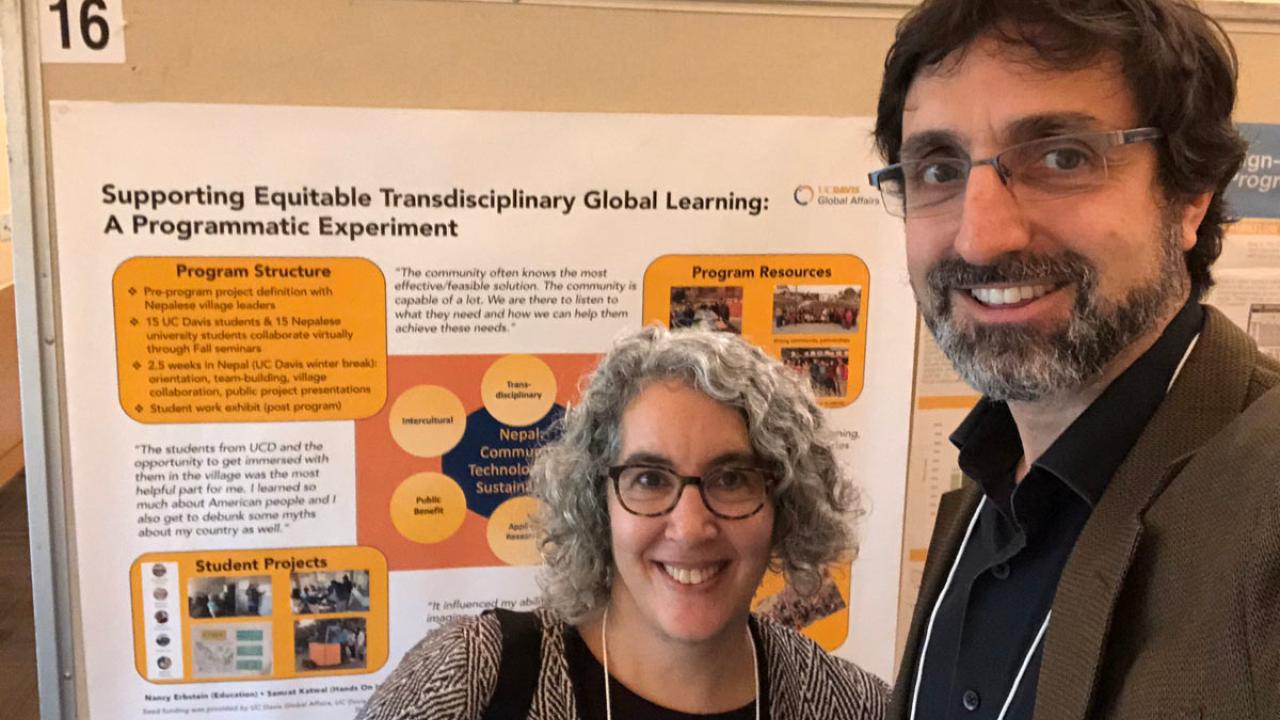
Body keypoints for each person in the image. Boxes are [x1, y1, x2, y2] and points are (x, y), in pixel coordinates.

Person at [866, 0, 1280, 718]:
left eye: (1062, 157)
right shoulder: (980, 493)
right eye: (938, 168)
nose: (980, 238)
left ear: (1188, 196)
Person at [359, 326, 887, 719]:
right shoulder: (473, 680)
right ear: (597, 502)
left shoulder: (857, 707)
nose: (689, 526)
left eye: (731, 479)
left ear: (784, 503)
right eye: (649, 480)